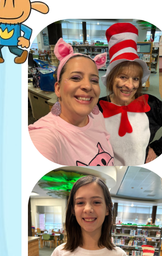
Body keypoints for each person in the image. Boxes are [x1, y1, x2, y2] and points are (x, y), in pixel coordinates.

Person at [37, 175, 144, 256]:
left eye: (96, 202)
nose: (88, 209)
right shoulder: (60, 254)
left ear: (107, 209)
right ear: (72, 210)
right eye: (80, 203)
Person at [97, 22, 162, 165]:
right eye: (123, 77)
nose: (130, 85)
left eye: (135, 79)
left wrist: (157, 148)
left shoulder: (151, 104)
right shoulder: (97, 108)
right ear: (111, 78)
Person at [29, 39, 115, 167]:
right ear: (57, 88)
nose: (87, 86)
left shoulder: (97, 116)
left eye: (94, 80)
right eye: (75, 78)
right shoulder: (48, 134)